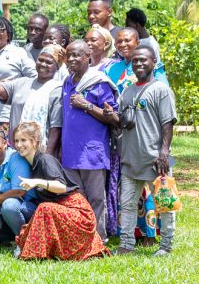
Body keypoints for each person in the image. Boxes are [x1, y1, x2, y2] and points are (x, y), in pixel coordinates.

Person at [11, 122, 108, 260]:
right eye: (16, 141)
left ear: (34, 142)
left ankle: (33, 254)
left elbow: (61, 187)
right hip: (61, 209)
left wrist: (37, 182)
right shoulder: (31, 164)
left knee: (44, 208)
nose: (19, 145)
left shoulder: (45, 160)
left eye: (23, 140)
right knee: (42, 210)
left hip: (78, 212)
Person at [115, 45, 177, 256]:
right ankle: (126, 244)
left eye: (143, 60)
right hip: (130, 159)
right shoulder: (127, 91)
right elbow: (123, 121)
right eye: (135, 61)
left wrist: (164, 153)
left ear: (153, 63)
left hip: (155, 160)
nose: (139, 64)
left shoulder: (160, 89)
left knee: (164, 203)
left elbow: (168, 122)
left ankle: (166, 246)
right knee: (128, 204)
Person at [56, 39, 119, 237]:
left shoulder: (99, 82)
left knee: (95, 198)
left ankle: (98, 238)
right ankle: (80, 237)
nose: (72, 59)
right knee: (76, 197)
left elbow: (113, 118)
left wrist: (87, 105)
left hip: (93, 152)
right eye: (69, 55)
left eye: (77, 55)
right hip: (70, 151)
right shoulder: (67, 81)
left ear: (88, 57)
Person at [0, 44, 65, 145]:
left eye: (49, 62)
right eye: (41, 60)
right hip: (16, 148)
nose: (43, 64)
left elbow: (55, 127)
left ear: (57, 67)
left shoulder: (58, 90)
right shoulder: (21, 83)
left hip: (40, 149)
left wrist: (48, 153)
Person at [107, 28, 168, 92]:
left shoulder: (152, 66)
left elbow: (164, 92)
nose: (123, 44)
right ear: (115, 45)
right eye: (119, 41)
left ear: (138, 43)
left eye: (127, 40)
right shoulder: (109, 70)